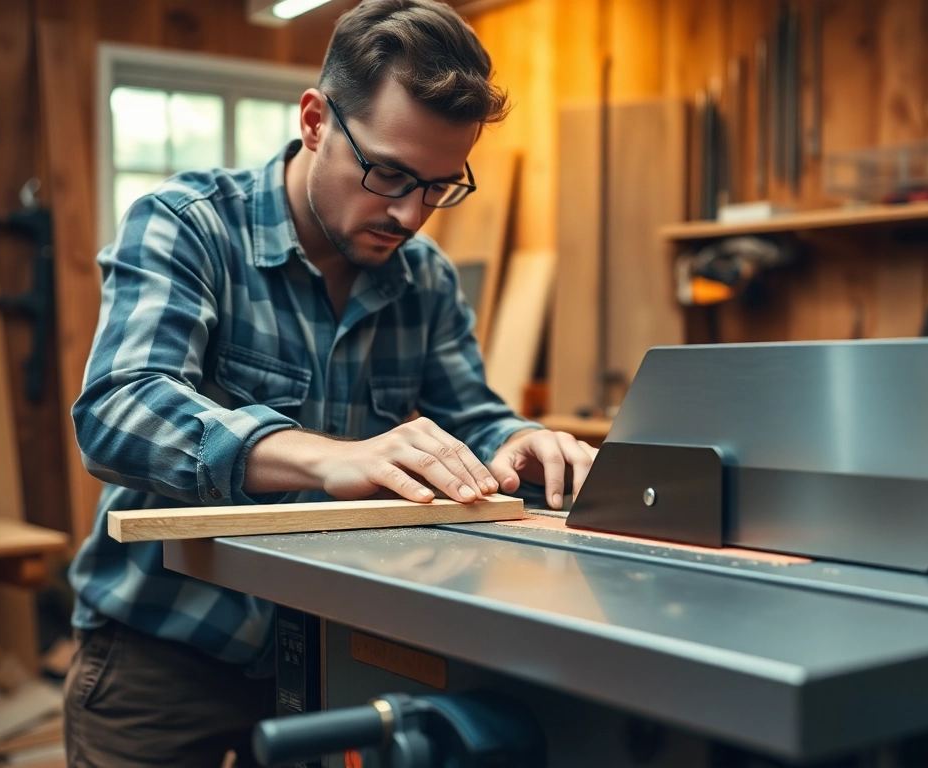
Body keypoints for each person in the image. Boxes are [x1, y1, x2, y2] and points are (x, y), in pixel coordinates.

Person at [63, 1, 597, 764]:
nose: (411, 214)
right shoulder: (188, 225)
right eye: (388, 173)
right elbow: (118, 410)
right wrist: (323, 457)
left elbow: (472, 414)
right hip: (166, 657)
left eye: (441, 187)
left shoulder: (425, 281)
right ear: (315, 121)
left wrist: (521, 441)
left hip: (332, 651)